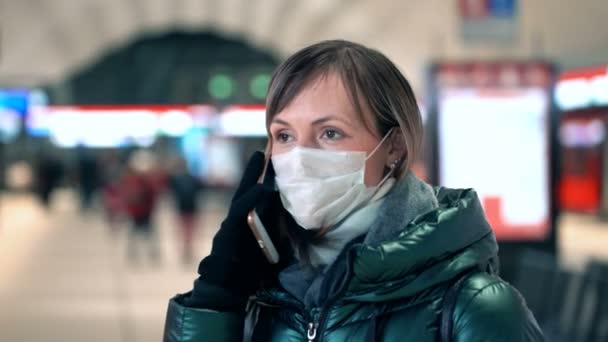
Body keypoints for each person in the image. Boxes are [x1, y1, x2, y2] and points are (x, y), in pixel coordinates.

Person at [163, 40, 544, 341]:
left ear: (392, 147)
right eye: (284, 135)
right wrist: (216, 299)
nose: (300, 156)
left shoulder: (476, 308)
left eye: (330, 133)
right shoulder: (263, 290)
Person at [168, 157, 205, 264]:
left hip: (185, 209)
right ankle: (187, 250)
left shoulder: (176, 179)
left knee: (186, 232)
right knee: (188, 232)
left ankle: (187, 250)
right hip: (188, 208)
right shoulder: (190, 178)